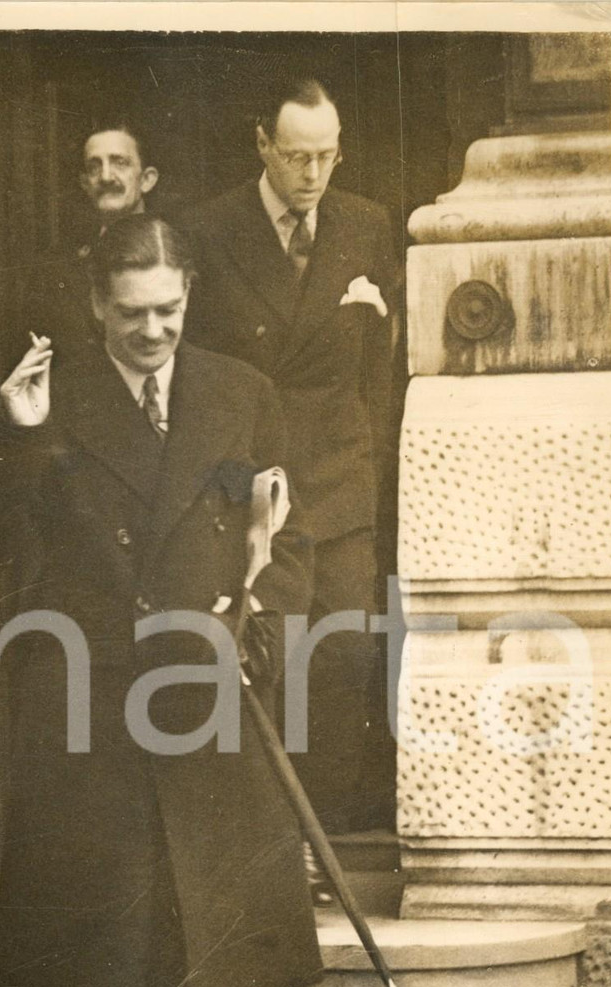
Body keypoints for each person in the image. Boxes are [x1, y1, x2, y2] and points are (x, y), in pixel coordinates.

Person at [0, 216, 323, 987]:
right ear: (95, 304)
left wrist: (259, 615)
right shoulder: (47, 397)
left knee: (199, 945)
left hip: (200, 699)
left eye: (169, 311)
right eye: (130, 313)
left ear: (188, 293)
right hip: (87, 704)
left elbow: (292, 540)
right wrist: (15, 435)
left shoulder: (239, 391)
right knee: (105, 925)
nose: (152, 331)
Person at [184, 76, 398, 839]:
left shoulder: (366, 227)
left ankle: (326, 839)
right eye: (298, 157)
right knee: (263, 661)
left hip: (339, 482)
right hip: (252, 486)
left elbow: (378, 369)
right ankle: (266, 844)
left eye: (328, 158)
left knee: (341, 661)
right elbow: (198, 370)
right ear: (263, 144)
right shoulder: (208, 232)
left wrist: (369, 468)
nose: (313, 176)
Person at [20, 118, 161, 364]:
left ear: (147, 179)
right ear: (85, 184)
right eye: (94, 166)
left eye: (120, 163)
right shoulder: (55, 270)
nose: (106, 177)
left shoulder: (181, 255)